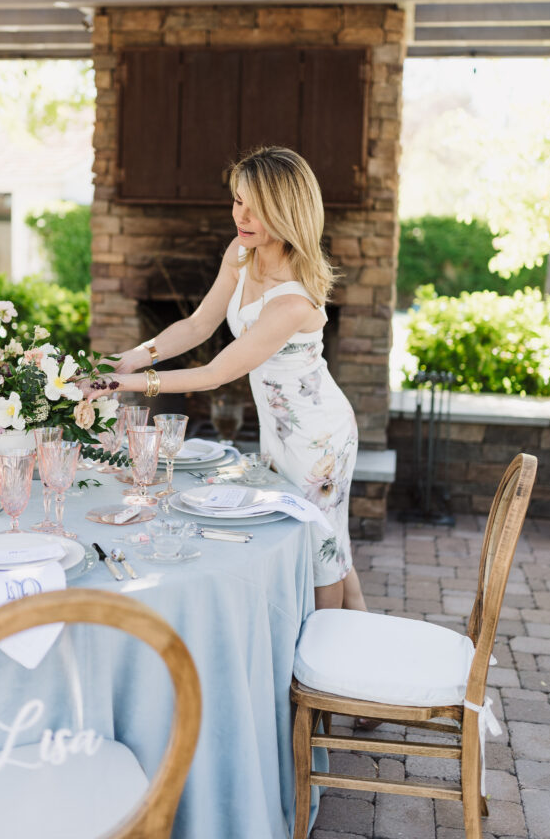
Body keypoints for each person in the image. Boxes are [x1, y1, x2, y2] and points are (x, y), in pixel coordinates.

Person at [88, 146, 366, 612]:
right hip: (280, 426)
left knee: (323, 551)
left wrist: (122, 386)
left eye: (257, 207)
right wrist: (132, 358)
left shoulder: (291, 302)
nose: (242, 215)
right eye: (238, 200)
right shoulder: (241, 253)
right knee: (332, 543)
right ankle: (360, 664)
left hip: (319, 436)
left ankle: (322, 653)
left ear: (287, 211)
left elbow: (217, 373)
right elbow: (198, 325)